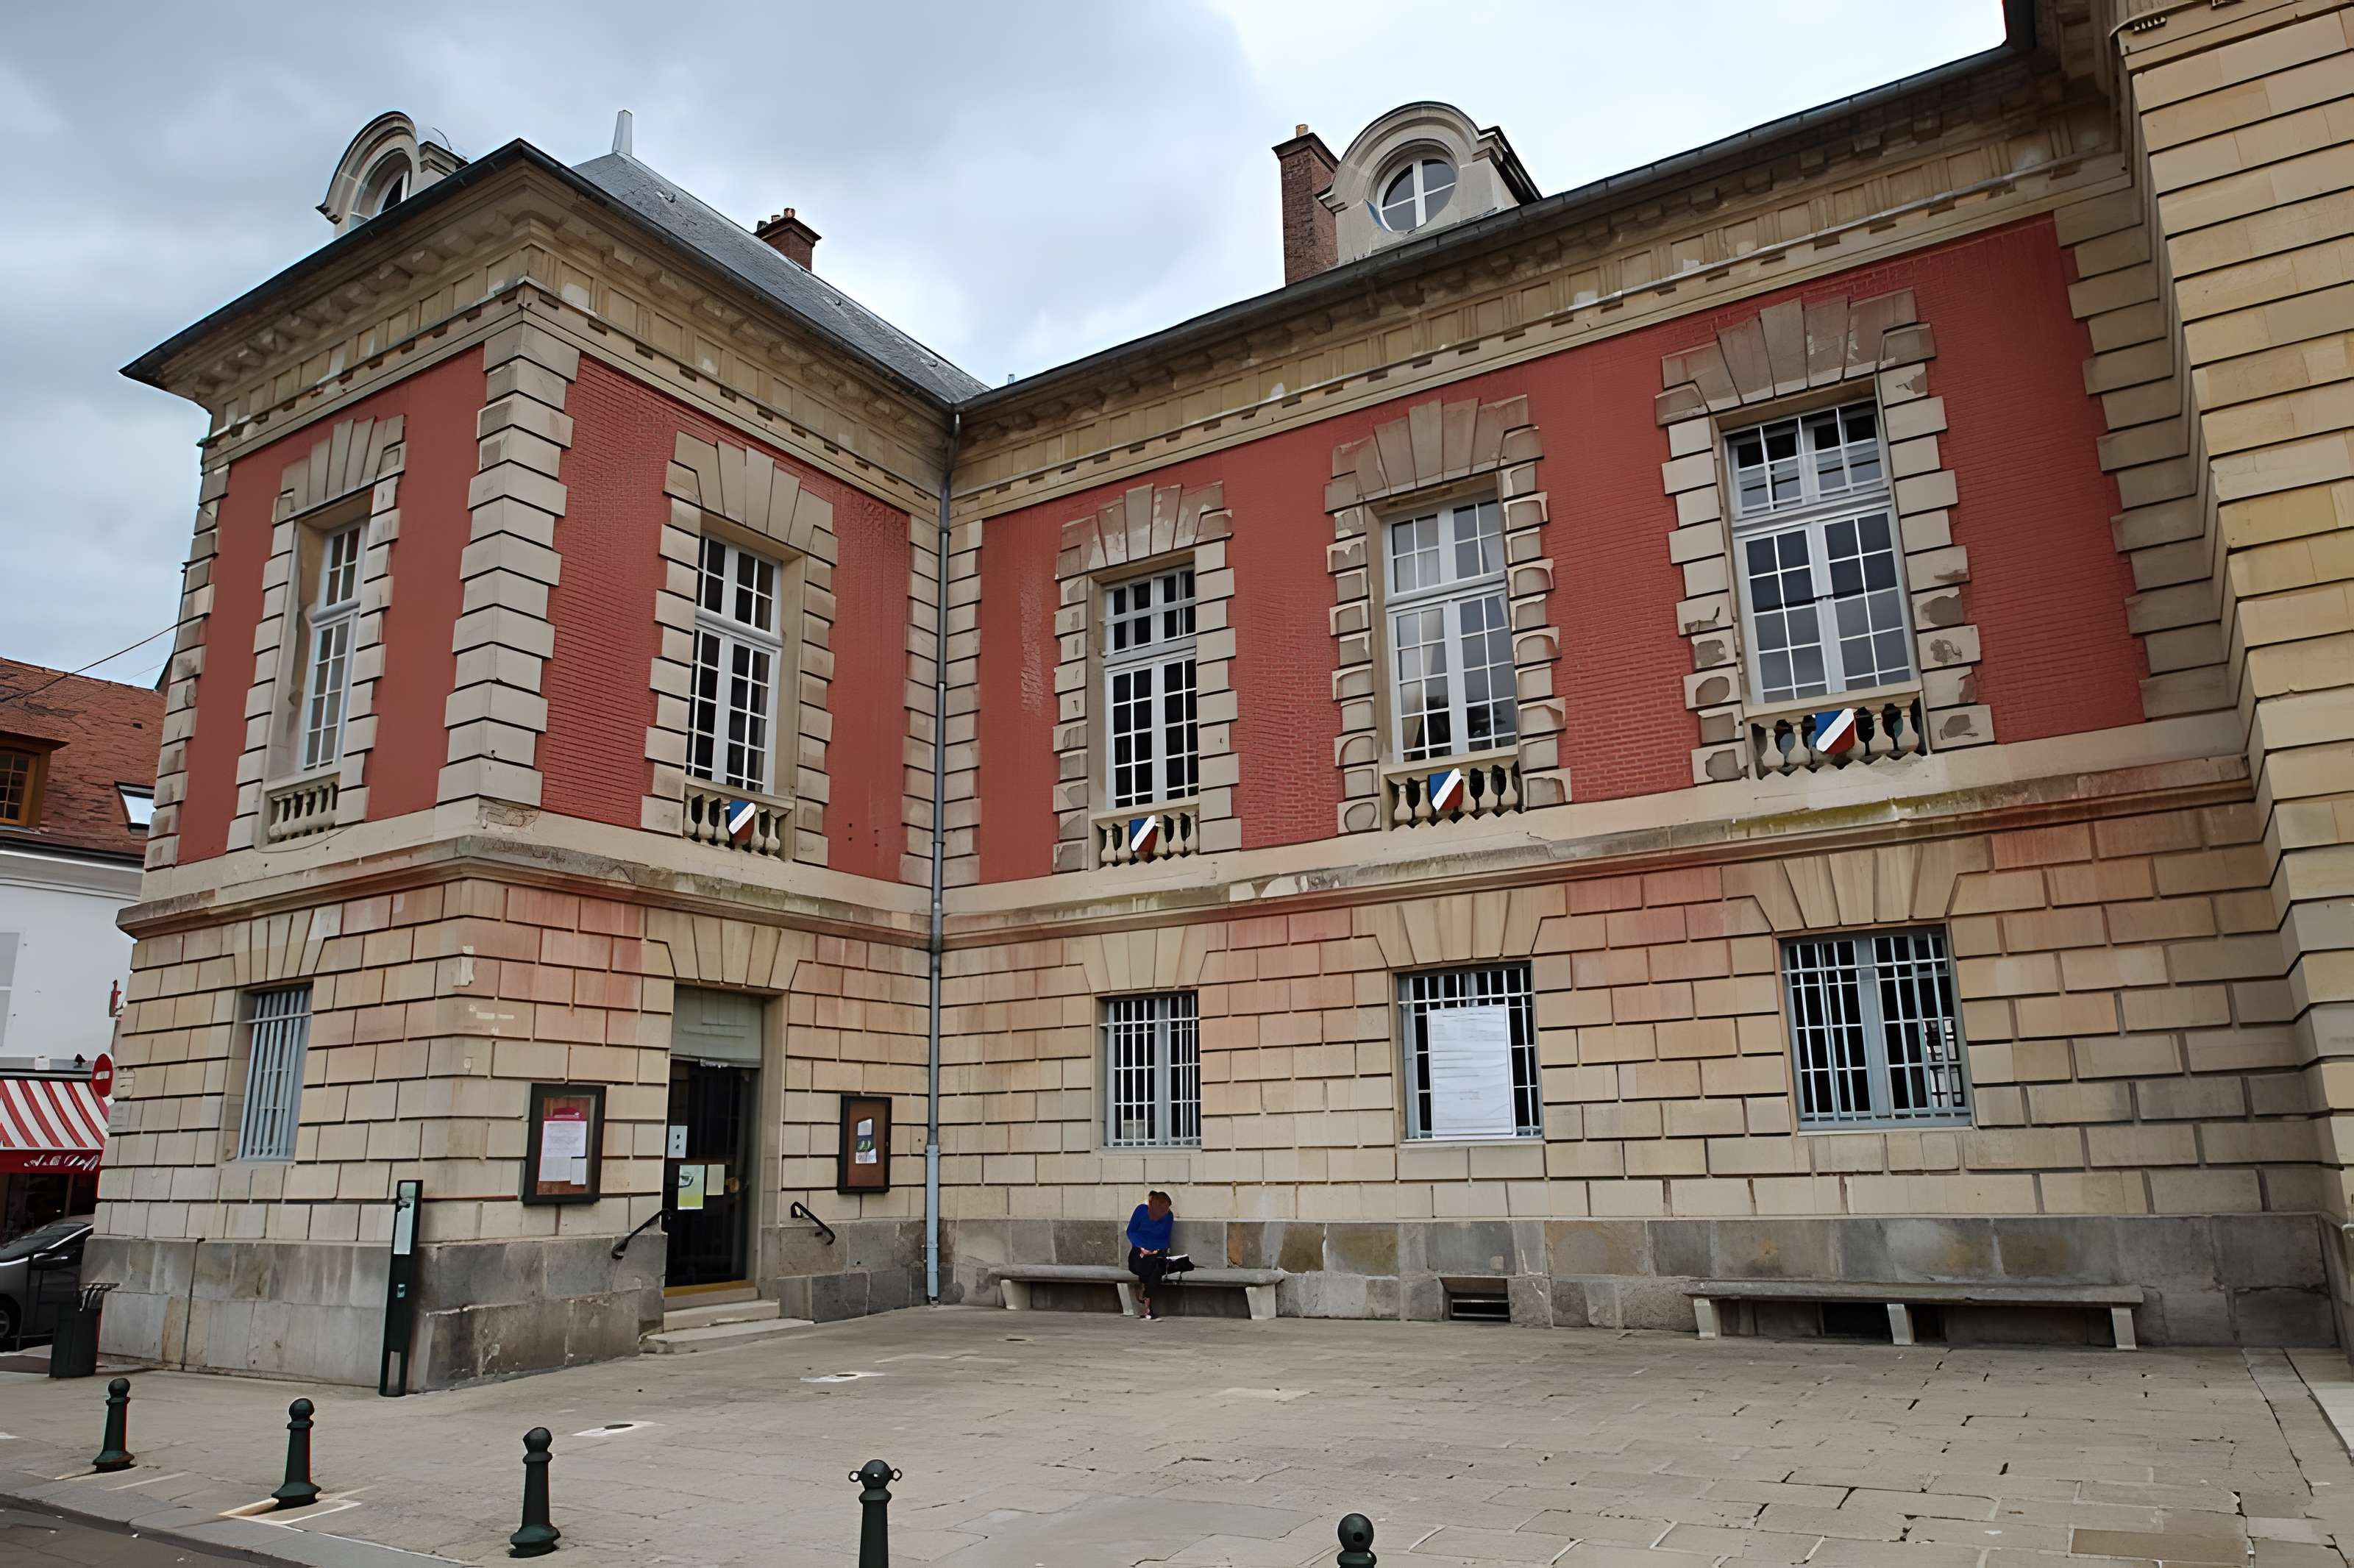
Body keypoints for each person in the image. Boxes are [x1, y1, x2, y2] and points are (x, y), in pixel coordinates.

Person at [1126, 1189, 1178, 1320]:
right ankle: (1147, 1304)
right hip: (1139, 1252)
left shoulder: (1168, 1217)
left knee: (1156, 1265)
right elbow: (1131, 1231)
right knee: (1148, 1265)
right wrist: (1143, 1249)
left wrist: (1155, 1250)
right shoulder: (1141, 1211)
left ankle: (1147, 1302)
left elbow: (1165, 1238)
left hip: (1157, 1252)